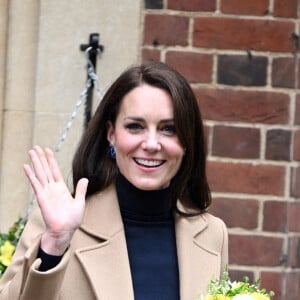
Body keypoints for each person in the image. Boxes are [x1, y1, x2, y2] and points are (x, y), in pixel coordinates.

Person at [0, 61, 228, 300]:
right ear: (111, 135)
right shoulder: (60, 226)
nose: (151, 144)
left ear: (187, 140)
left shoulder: (212, 234)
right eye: (135, 127)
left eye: (168, 129)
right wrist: (54, 247)